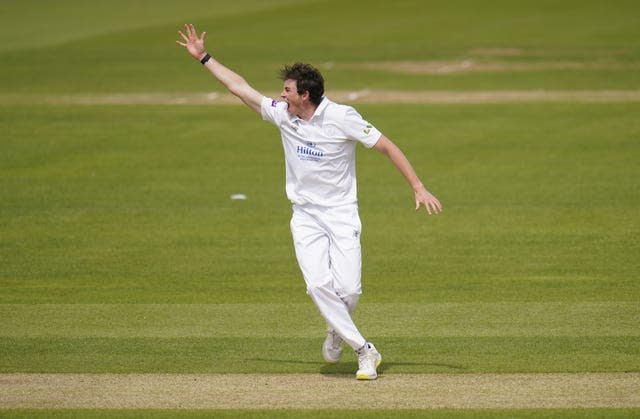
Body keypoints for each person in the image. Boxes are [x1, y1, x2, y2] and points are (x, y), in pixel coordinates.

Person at [177, 24, 442, 380]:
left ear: (305, 95)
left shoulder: (342, 117)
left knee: (348, 289)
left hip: (341, 213)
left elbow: (387, 146)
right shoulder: (284, 115)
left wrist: (418, 186)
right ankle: (365, 351)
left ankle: (337, 328)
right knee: (318, 285)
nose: (280, 95)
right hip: (305, 216)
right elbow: (240, 88)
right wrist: (204, 58)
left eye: (287, 90)